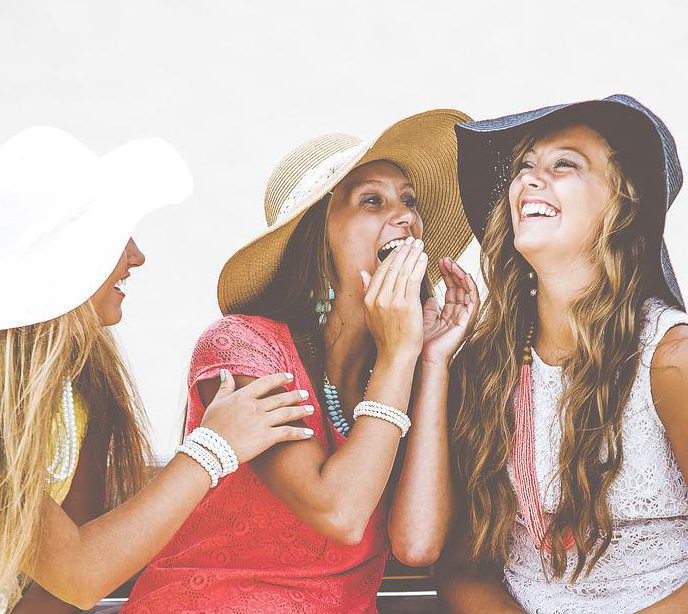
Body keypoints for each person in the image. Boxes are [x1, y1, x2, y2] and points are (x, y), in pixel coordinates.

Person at [121, 109, 478, 614]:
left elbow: (416, 544)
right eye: (372, 200)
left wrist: (434, 361)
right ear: (317, 235)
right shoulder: (240, 348)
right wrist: (400, 356)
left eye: (410, 201)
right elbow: (339, 511)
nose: (406, 216)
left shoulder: (406, 372)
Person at [0, 127, 315, 614]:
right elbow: (79, 577)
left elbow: (59, 597)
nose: (136, 256)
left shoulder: (81, 385)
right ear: (61, 259)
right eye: (112, 237)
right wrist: (212, 448)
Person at [436, 95, 688, 614]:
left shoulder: (670, 361)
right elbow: (464, 569)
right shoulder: (486, 367)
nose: (530, 179)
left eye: (564, 164)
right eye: (524, 166)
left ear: (625, 201)